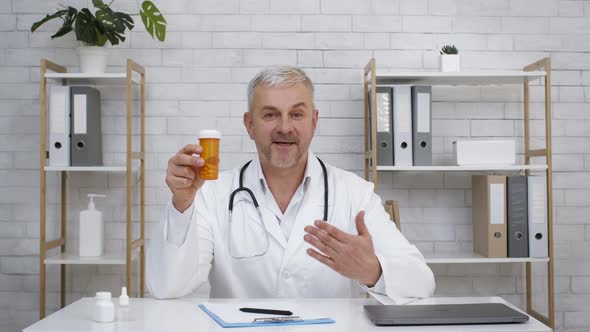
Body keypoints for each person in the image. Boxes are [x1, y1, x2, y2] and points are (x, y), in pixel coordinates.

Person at [146, 66, 435, 302]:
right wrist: (182, 203)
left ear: (314, 121)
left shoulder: (354, 193)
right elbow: (166, 287)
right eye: (270, 114)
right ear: (250, 125)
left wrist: (373, 270)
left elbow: (422, 282)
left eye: (296, 114)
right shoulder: (212, 194)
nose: (285, 127)